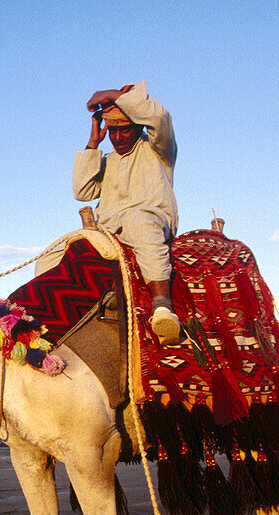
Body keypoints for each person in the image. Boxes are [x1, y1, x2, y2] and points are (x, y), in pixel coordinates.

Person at [73, 81, 181, 345]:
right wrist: (93, 143)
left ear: (139, 126)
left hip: (150, 222)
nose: (118, 137)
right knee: (61, 248)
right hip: (108, 231)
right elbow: (82, 191)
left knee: (138, 221)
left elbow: (159, 117)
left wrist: (112, 96)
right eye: (113, 131)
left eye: (125, 130)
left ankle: (162, 308)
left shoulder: (158, 149)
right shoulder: (107, 160)